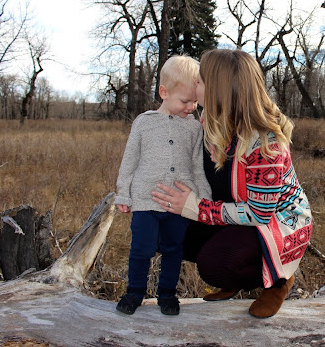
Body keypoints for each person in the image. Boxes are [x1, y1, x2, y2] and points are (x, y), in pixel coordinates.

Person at [152, 48, 312, 318]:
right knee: (159, 228)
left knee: (215, 265)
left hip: (274, 226)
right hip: (232, 211)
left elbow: (259, 214)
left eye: (200, 81)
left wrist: (194, 208)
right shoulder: (210, 120)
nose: (195, 85)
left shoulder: (266, 145)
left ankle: (280, 280)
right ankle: (235, 268)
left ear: (218, 90)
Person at [114, 55, 212, 316]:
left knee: (173, 249)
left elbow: (196, 166)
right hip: (146, 199)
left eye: (194, 101)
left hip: (179, 202)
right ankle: (134, 292)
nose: (191, 107)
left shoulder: (194, 128)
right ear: (164, 92)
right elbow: (130, 160)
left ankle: (167, 294)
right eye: (184, 101)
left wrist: (204, 197)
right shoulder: (143, 123)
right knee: (141, 249)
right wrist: (123, 192)